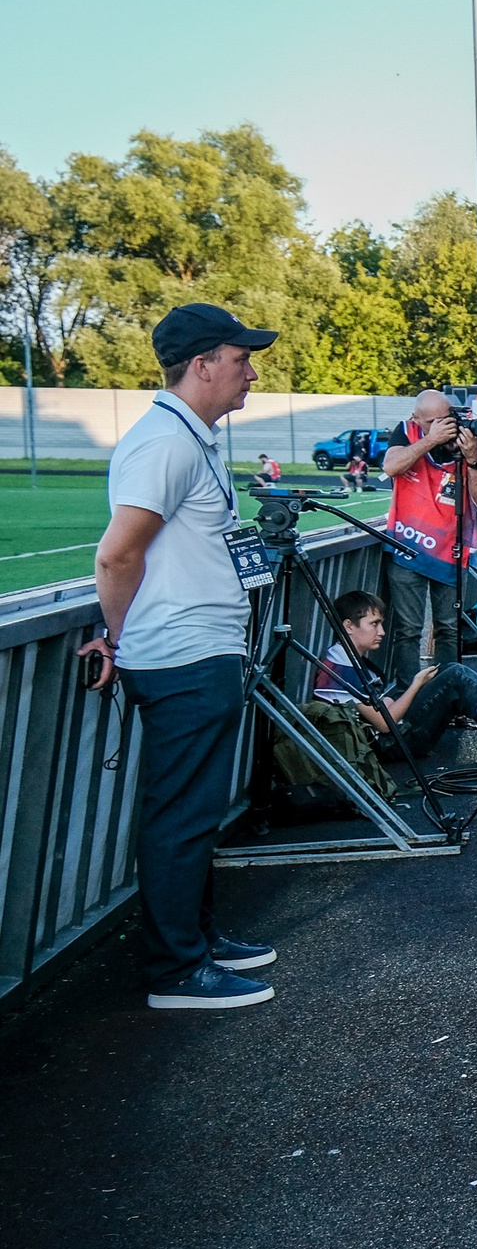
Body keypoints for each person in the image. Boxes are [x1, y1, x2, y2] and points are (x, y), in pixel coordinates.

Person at [82, 303, 281, 1010]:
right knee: (181, 814)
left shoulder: (187, 439)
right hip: (179, 656)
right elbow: (116, 554)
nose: (250, 372)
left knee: (196, 810)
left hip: (199, 652)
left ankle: (194, 941)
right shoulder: (165, 443)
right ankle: (175, 971)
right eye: (239, 358)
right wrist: (116, 635)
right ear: (201, 366)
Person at [381, 388, 477, 685]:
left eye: (445, 419)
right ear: (416, 419)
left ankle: (449, 694)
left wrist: (473, 460)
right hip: (407, 546)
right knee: (408, 629)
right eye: (431, 421)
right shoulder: (406, 432)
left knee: (449, 628)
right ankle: (409, 696)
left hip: (452, 550)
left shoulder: (466, 439)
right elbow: (391, 466)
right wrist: (430, 439)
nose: (442, 426)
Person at [313, 588, 477, 767]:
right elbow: (385, 724)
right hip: (386, 746)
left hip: (386, 737)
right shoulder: (341, 668)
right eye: (374, 624)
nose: (381, 632)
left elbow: (382, 706)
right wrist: (416, 684)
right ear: (349, 626)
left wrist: (395, 699)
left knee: (451, 671)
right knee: (455, 676)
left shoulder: (344, 657)